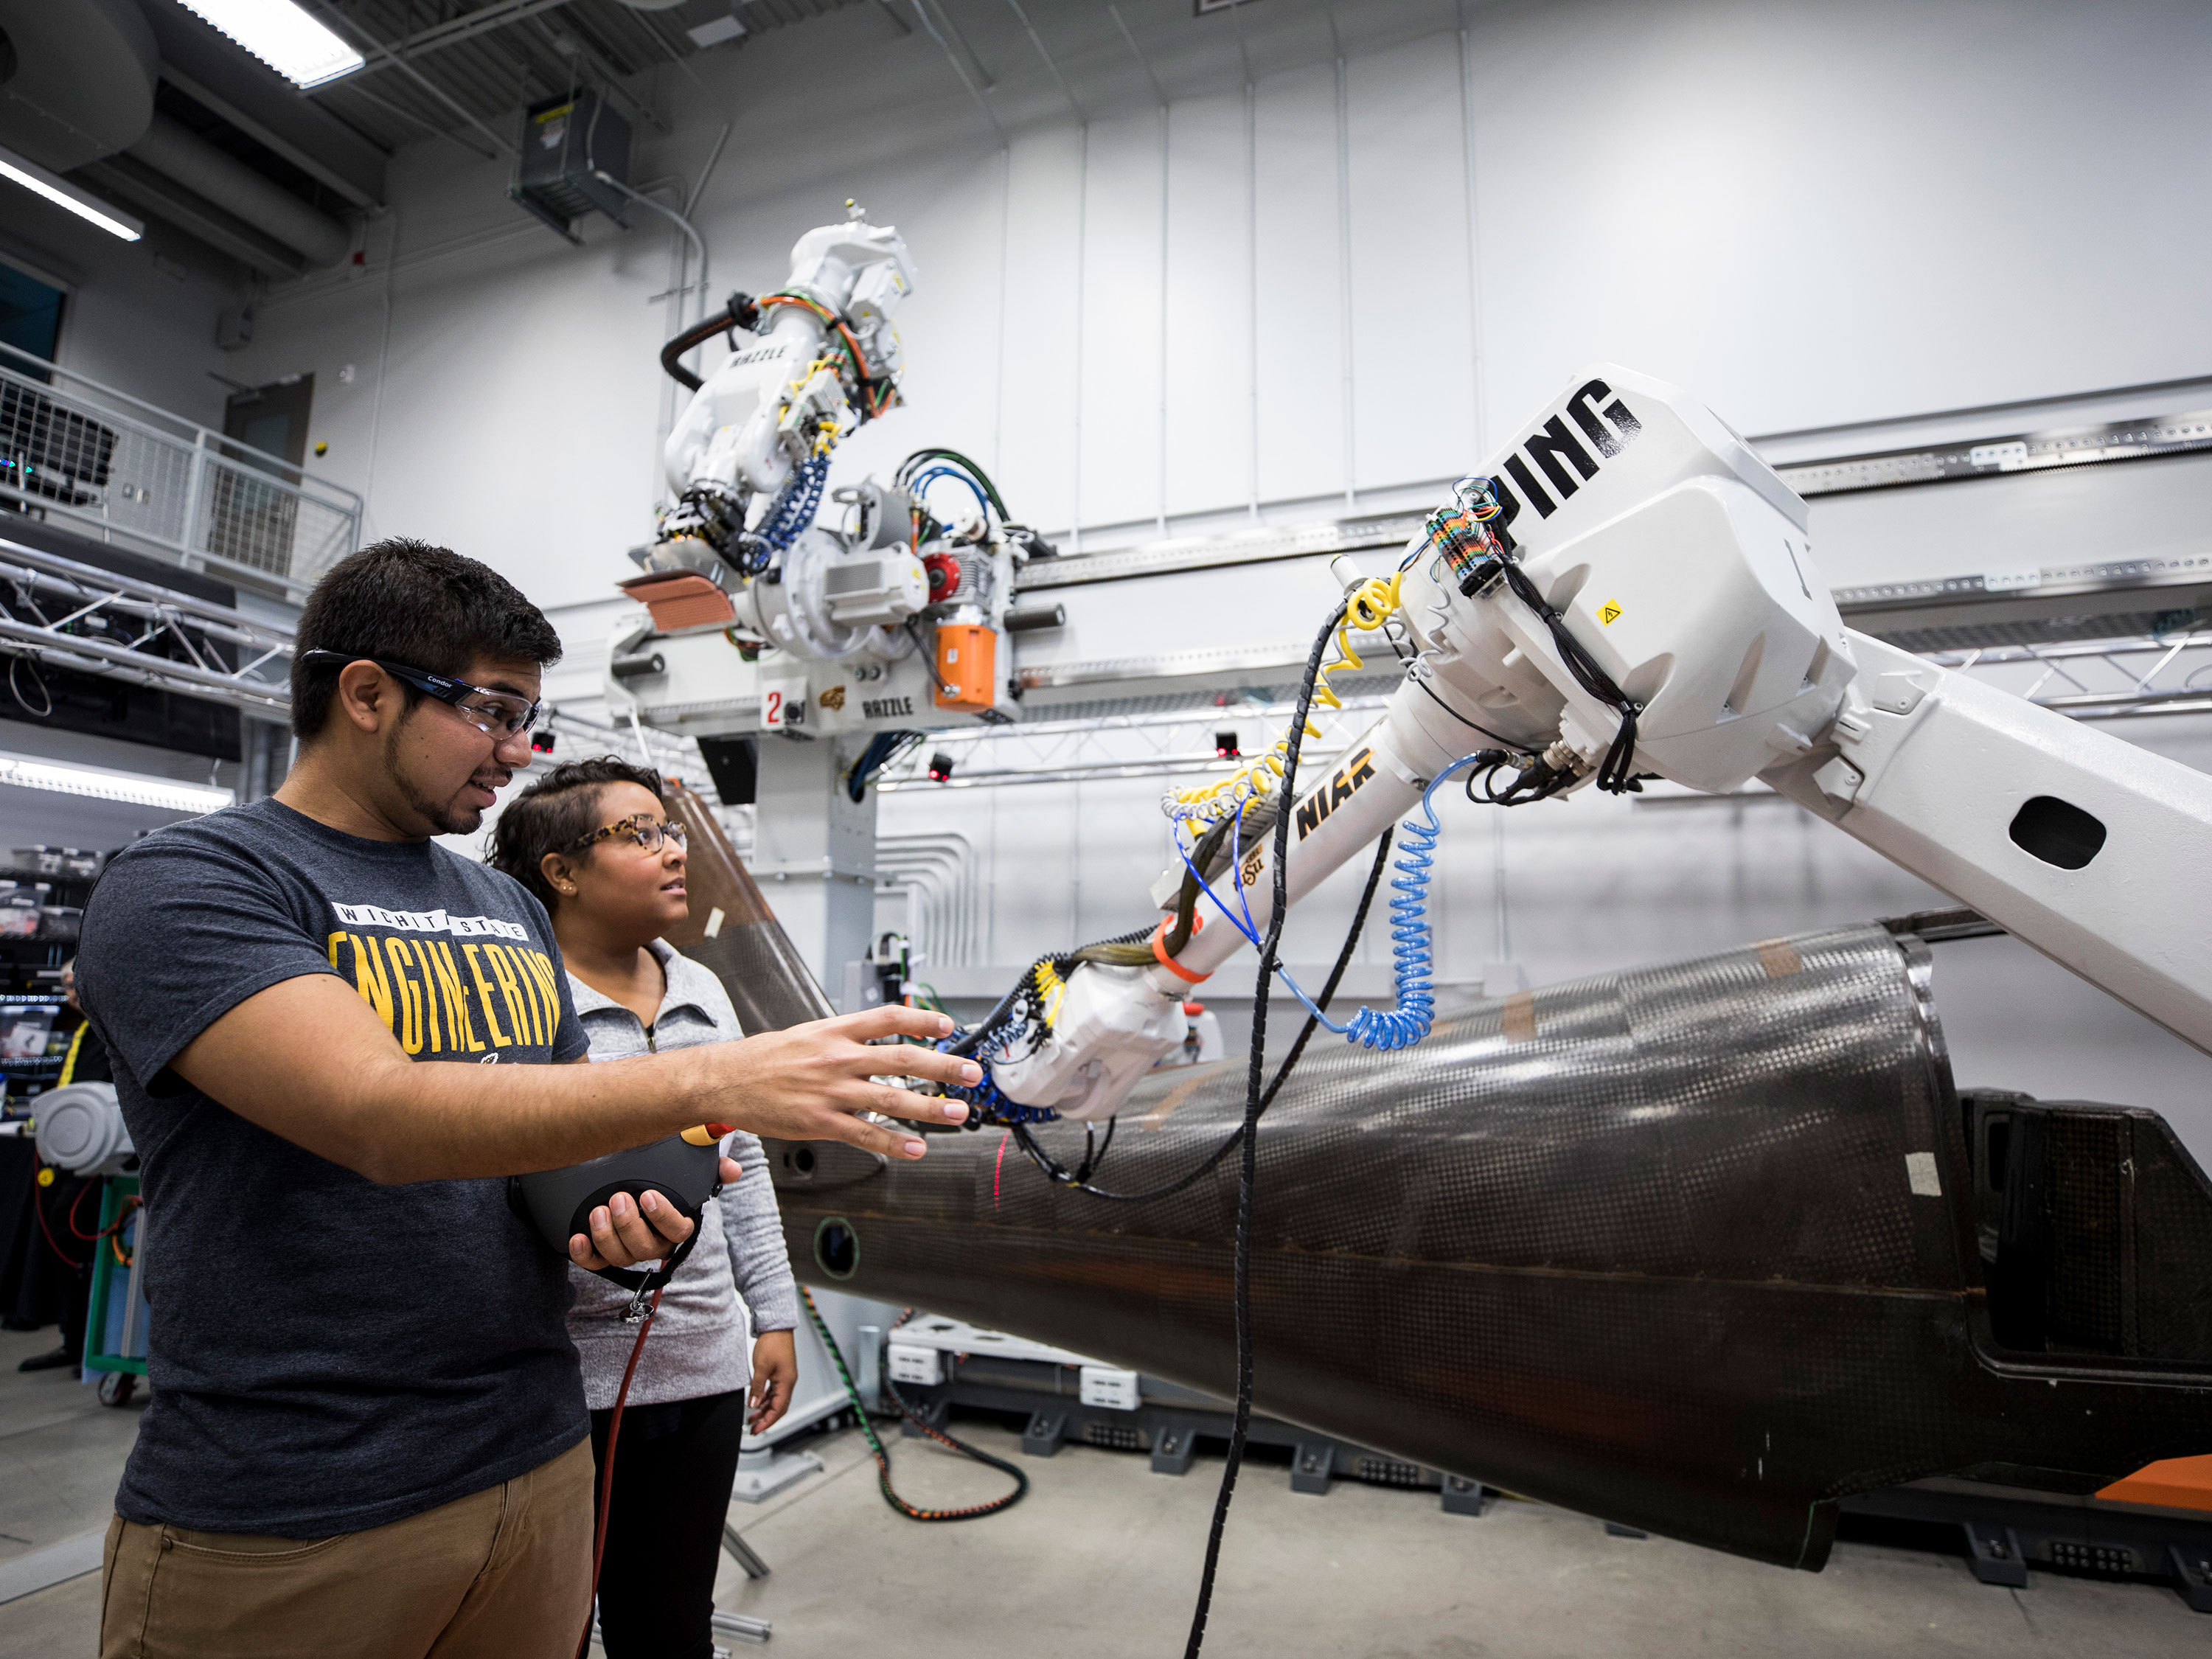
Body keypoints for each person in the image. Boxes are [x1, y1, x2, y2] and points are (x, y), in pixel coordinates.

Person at [74, 538, 978, 1659]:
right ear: (366, 692)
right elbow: (378, 1116)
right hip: (297, 1500)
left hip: (535, 1468)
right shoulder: (198, 882)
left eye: (528, 718)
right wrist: (725, 1073)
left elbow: (541, 1151)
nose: (517, 752)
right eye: (494, 712)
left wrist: (616, 1218)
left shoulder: (502, 906)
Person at [490, 757, 797, 1659]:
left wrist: (771, 1315)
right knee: (545, 1630)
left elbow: (744, 1159)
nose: (674, 852)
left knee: (667, 1624)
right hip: (558, 1379)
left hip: (701, 1363)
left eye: (672, 831)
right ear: (562, 871)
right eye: (640, 834)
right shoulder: (520, 1000)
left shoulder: (702, 988)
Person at [12, 958, 108, 1375]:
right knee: (61, 1239)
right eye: (67, 986)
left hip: (103, 1159)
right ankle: (73, 1339)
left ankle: (90, 1342)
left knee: (79, 1236)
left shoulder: (114, 1031)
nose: (72, 994)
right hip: (67, 1153)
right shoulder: (82, 1032)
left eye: (77, 984)